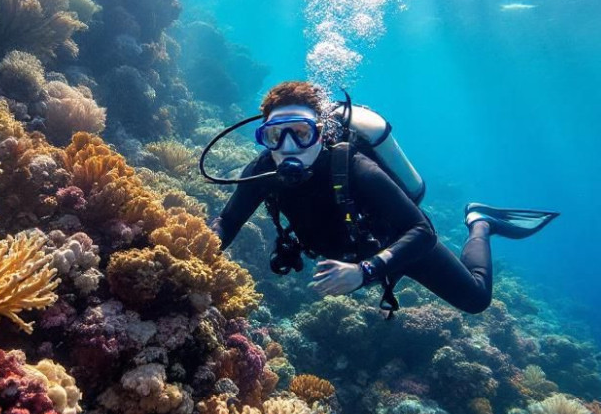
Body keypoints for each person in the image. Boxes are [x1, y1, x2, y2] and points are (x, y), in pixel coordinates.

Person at [207, 81, 556, 315]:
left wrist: (366, 270)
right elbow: (228, 221)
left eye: (300, 133)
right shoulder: (263, 168)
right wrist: (198, 249)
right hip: (351, 255)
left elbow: (422, 231)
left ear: (321, 133)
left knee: (476, 299)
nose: (286, 148)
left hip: (396, 243)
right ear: (263, 137)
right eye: (273, 135)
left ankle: (479, 221)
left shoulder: (354, 167)